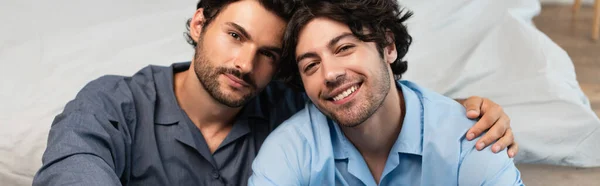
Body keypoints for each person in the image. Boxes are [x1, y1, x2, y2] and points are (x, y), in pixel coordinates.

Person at [34, 0, 517, 185]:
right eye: (236, 36)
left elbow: (370, 101)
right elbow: (72, 170)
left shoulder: (292, 108)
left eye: (268, 53)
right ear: (199, 23)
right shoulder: (114, 103)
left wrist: (465, 114)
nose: (246, 63)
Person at [249, 0, 524, 185]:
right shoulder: (288, 150)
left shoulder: (469, 139)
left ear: (388, 46)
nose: (330, 74)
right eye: (311, 65)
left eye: (344, 48)